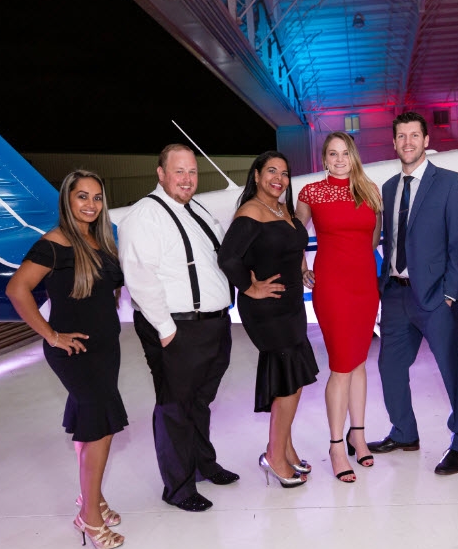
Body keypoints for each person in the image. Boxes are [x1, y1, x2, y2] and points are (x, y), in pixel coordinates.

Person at [6, 170, 127, 549]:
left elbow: (108, 292)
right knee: (100, 428)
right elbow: (17, 288)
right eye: (82, 197)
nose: (90, 204)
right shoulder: (54, 244)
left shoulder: (100, 241)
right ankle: (89, 518)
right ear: (67, 200)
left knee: (92, 425)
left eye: (96, 197)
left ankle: (93, 498)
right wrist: (52, 335)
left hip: (105, 348)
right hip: (74, 352)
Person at [117, 144, 239, 514]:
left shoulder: (196, 210)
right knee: (174, 407)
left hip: (212, 326)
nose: (187, 179)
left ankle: (203, 464)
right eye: (179, 171)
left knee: (200, 402)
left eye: (192, 172)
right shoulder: (144, 215)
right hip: (178, 329)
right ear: (160, 173)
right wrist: (167, 330)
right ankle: (178, 486)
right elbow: (139, 276)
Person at [368, 112, 458, 476]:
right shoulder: (387, 187)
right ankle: (404, 432)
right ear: (394, 142)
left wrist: (451, 294)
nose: (408, 142)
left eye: (415, 135)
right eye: (401, 136)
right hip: (396, 294)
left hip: (434, 298)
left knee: (452, 371)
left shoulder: (448, 184)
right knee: (390, 366)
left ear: (427, 140)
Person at [218, 151, 319, 488]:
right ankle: (274, 457)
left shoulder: (281, 210)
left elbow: (289, 246)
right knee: (289, 380)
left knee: (293, 378)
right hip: (268, 309)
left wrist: (303, 268)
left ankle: (284, 448)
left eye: (285, 173)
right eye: (271, 171)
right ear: (257, 176)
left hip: (289, 304)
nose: (279, 178)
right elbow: (228, 257)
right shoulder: (250, 211)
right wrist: (249, 287)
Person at [295, 132, 382, 483]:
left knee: (359, 362)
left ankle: (357, 435)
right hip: (332, 287)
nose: (339, 159)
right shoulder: (311, 193)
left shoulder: (370, 190)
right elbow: (294, 235)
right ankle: (335, 445)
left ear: (353, 155)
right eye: (332, 153)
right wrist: (302, 267)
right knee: (342, 366)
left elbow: (373, 239)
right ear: (324, 158)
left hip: (364, 287)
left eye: (345, 153)